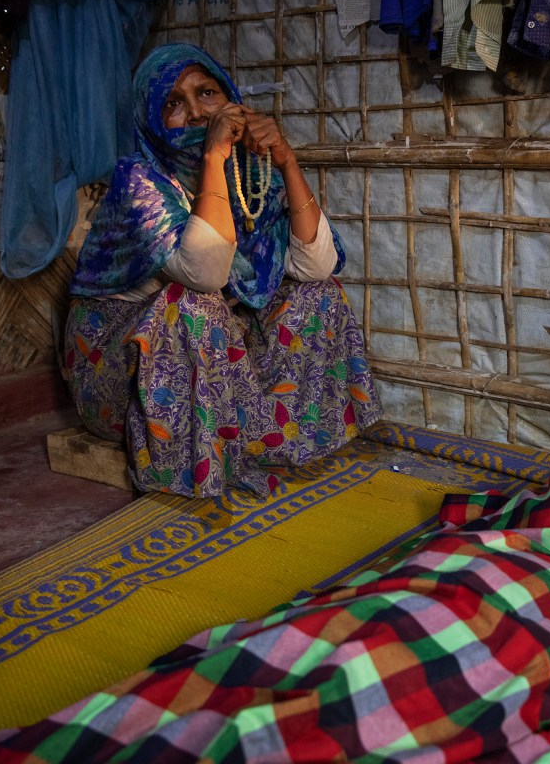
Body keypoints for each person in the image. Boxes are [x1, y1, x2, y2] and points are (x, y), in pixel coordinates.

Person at [64, 43, 382, 500]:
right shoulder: (140, 180)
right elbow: (206, 273)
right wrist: (213, 157)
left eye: (207, 93)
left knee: (319, 294)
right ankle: (193, 464)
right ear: (150, 118)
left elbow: (316, 265)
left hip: (213, 350)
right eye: (173, 103)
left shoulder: (254, 172)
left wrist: (287, 161)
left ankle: (272, 440)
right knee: (192, 303)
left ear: (230, 98)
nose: (196, 113)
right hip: (119, 373)